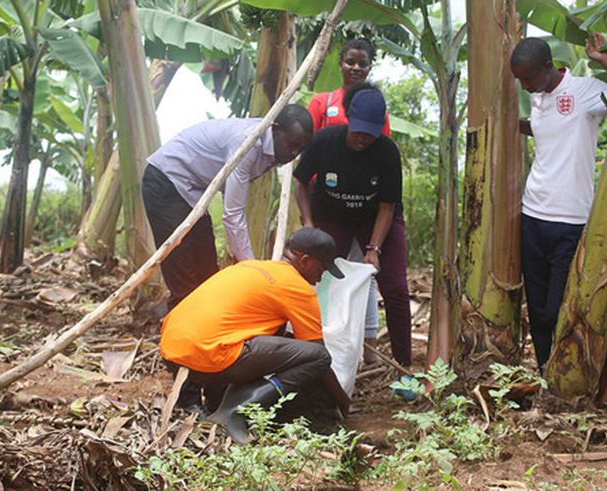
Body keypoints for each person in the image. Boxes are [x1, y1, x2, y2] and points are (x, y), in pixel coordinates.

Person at [160, 227, 351, 444]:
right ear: (305, 261)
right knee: (316, 356)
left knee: (275, 340)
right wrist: (342, 401)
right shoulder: (297, 288)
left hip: (173, 351)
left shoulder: (249, 267)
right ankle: (234, 412)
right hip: (208, 355)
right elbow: (319, 356)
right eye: (323, 267)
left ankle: (218, 403)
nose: (322, 275)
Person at [511, 34, 607, 372]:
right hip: (532, 215)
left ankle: (566, 373)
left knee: (556, 308)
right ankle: (545, 373)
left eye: (528, 78)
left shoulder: (584, 91)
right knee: (536, 310)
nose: (524, 86)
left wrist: (605, 60)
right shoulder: (537, 95)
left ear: (548, 67)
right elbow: (550, 131)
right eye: (520, 80)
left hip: (570, 221)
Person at [142, 104, 314, 312]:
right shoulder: (248, 142)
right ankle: (181, 334)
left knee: (208, 273)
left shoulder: (273, 146)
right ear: (275, 130)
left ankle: (209, 328)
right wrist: (251, 268)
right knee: (184, 274)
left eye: (301, 149)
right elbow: (232, 214)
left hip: (193, 192)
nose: (294, 153)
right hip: (166, 181)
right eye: (292, 145)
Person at [294, 82, 412, 367]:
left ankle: (404, 366)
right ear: (348, 119)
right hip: (332, 214)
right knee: (318, 278)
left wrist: (374, 249)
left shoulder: (387, 152)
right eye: (358, 131)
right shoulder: (322, 141)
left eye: (370, 134)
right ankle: (311, 358)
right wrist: (309, 225)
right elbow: (300, 183)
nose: (362, 139)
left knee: (395, 287)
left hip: (376, 218)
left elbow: (387, 206)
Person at [307, 38, 390, 363]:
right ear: (340, 64)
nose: (356, 68)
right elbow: (305, 150)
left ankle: (368, 346)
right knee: (325, 273)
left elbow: (380, 149)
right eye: (350, 62)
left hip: (363, 205)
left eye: (363, 64)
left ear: (369, 68)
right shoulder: (322, 103)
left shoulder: (374, 107)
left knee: (363, 273)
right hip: (326, 206)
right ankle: (324, 340)